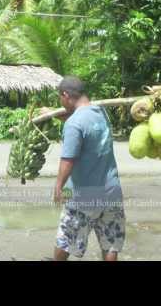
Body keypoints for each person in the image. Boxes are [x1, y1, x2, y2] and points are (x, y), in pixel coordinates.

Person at [52, 76, 125, 261]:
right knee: (110, 243)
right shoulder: (101, 113)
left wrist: (59, 186)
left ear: (65, 95)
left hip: (83, 194)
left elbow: (68, 159)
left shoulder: (74, 124)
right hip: (111, 190)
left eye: (60, 98)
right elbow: (86, 127)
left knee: (66, 239)